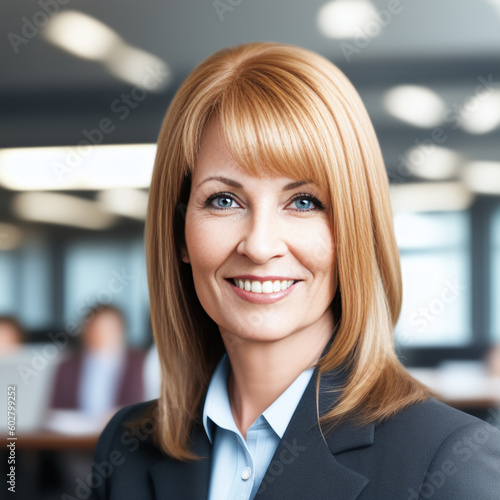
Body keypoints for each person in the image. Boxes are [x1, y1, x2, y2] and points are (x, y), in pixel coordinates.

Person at [89, 42, 500, 499]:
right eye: (224, 200)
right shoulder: (125, 448)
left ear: (354, 233)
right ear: (180, 230)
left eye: (304, 202)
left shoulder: (448, 462)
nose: (260, 246)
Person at [51, 304, 145, 418]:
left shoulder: (140, 363)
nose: (101, 335)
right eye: (95, 330)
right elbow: (56, 409)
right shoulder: (67, 365)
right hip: (76, 432)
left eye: (108, 329)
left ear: (121, 331)